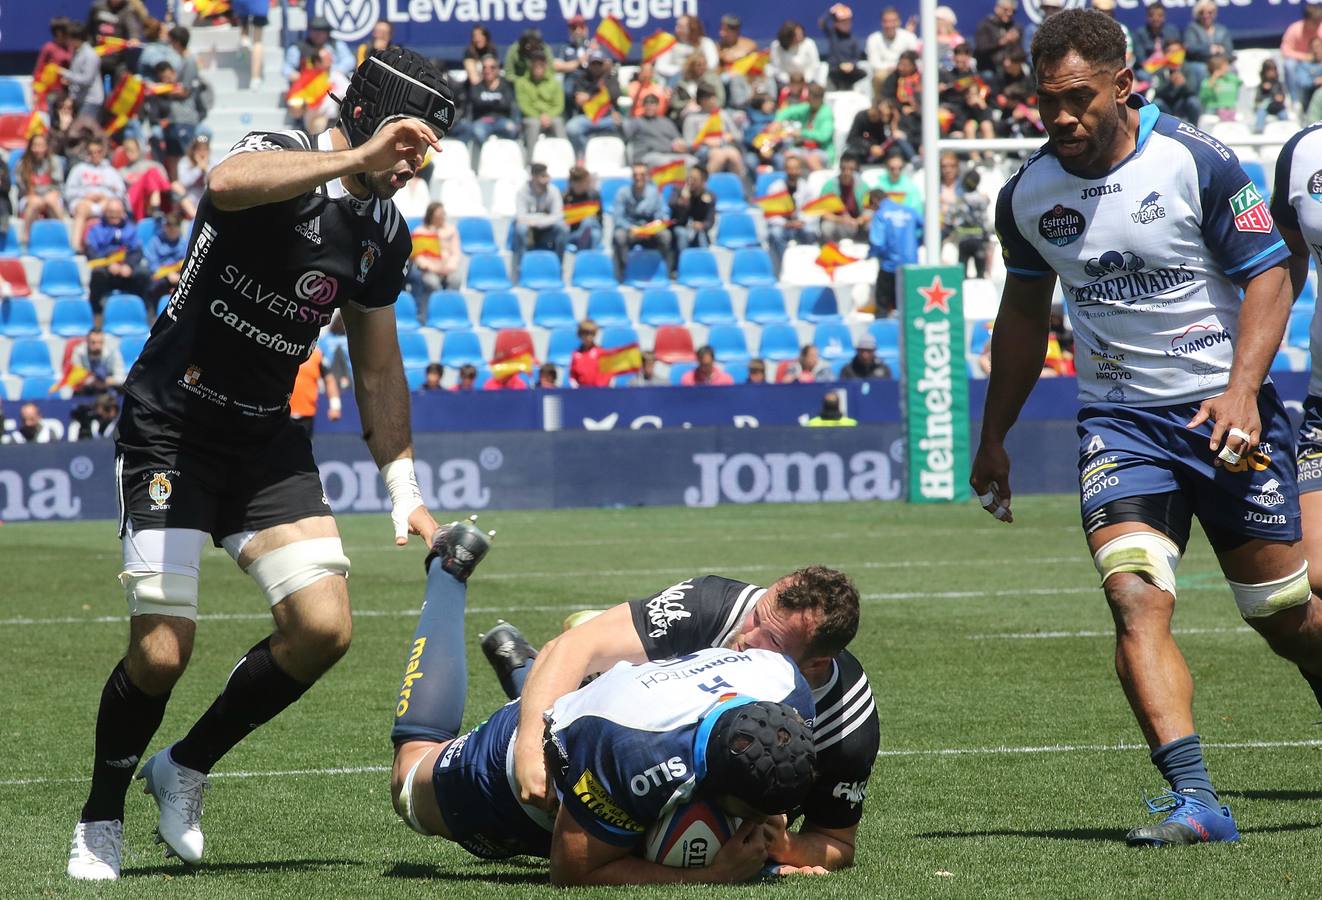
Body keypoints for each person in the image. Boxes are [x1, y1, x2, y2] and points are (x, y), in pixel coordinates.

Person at [65, 47, 454, 881]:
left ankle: (186, 764)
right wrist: (354, 159)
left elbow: (378, 366)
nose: (413, 166)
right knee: (163, 651)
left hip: (263, 440)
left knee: (324, 627)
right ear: (370, 119)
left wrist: (404, 491)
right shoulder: (279, 149)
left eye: (426, 152)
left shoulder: (384, 234)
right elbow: (226, 185)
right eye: (409, 142)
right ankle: (101, 816)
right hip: (171, 425)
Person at [977, 8, 1319, 848]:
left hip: (1224, 416)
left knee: (1283, 613)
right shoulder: (1027, 194)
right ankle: (1197, 800)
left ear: (1123, 84)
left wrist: (1243, 391)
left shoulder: (1197, 163)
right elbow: (1022, 318)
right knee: (1134, 595)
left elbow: (1270, 275)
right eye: (1044, 100)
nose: (1060, 117)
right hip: (1120, 425)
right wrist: (995, 435)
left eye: (1077, 98)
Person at [392, 524, 820, 884]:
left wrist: (778, 847)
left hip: (617, 729)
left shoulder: (783, 680)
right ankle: (449, 567)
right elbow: (572, 869)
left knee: (624, 796)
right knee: (408, 781)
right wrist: (706, 877)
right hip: (523, 769)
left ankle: (526, 670)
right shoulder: (633, 747)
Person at [480, 563, 874, 874]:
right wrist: (531, 749)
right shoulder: (716, 607)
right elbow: (572, 646)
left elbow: (837, 843)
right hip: (617, 755)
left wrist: (786, 846)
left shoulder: (845, 723)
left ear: (819, 662)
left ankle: (524, 671)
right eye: (758, 615)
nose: (747, 637)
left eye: (771, 642)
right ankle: (536, 677)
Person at [85, 197, 148, 324]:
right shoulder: (96, 229)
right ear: (105, 213)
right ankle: (97, 315)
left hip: (125, 271)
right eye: (111, 213)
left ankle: (144, 315)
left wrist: (129, 265)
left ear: (123, 213)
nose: (114, 216)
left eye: (117, 213)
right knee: (97, 274)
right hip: (106, 271)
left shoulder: (131, 229)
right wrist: (109, 264)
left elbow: (137, 251)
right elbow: (91, 251)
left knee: (144, 274)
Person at [612, 163, 672, 281]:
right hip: (631, 230)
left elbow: (663, 214)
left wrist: (655, 225)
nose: (638, 178)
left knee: (666, 235)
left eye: (642, 175)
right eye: (635, 175)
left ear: (647, 176)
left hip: (650, 231)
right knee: (619, 236)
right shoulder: (623, 193)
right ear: (632, 176)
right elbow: (618, 218)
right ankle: (623, 273)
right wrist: (631, 228)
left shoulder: (655, 193)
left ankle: (664, 271)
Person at [66, 138, 127, 253]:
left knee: (115, 208)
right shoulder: (78, 169)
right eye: (91, 152)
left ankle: (116, 245)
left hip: (105, 203)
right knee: (81, 209)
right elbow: (69, 192)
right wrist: (85, 195)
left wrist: (105, 196)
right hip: (84, 202)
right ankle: (76, 246)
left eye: (98, 151)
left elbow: (121, 192)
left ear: (103, 152)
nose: (95, 155)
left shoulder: (111, 171)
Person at [869, 187, 920, 317]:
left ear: (875, 201)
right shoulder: (909, 211)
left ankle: (884, 335)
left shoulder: (881, 214)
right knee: (908, 309)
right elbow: (929, 227)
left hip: (889, 267)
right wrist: (918, 242)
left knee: (883, 309)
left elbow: (877, 242)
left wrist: (871, 255)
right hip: (911, 266)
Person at [765, 156, 818, 276]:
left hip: (801, 225)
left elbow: (812, 211)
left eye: (796, 169)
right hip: (783, 225)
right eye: (790, 169)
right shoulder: (775, 188)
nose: (793, 172)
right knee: (775, 233)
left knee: (810, 231)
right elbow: (770, 215)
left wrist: (802, 221)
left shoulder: (807, 188)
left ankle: (807, 269)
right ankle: (781, 269)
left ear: (800, 170)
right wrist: (785, 223)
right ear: (785, 170)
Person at [406, 201, 460, 318]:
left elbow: (455, 253)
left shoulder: (451, 231)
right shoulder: (420, 232)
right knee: (432, 282)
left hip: (447, 269)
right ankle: (434, 314)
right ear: (431, 216)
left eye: (443, 215)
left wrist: (449, 267)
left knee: (456, 280)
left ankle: (450, 313)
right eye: (438, 216)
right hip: (429, 270)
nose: (442, 218)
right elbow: (418, 257)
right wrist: (435, 268)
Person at [565, 50, 623, 159]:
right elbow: (578, 100)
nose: (596, 67)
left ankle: (620, 158)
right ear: (589, 65)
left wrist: (589, 96)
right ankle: (582, 156)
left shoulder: (610, 78)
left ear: (603, 65)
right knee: (571, 128)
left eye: (599, 64)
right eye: (593, 64)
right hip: (587, 117)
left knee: (625, 126)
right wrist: (594, 95)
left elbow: (614, 95)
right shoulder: (582, 78)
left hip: (607, 117)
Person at [511, 163, 567, 275]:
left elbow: (558, 215)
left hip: (547, 228)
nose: (546, 179)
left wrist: (538, 221)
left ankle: (558, 265)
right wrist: (541, 218)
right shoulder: (522, 192)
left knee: (563, 228)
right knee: (520, 229)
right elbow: (521, 217)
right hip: (529, 229)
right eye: (542, 175)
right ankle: (522, 266)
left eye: (546, 175)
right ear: (534, 176)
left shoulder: (553, 190)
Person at [459, 55, 520, 156]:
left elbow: (507, 104)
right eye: (485, 67)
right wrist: (496, 102)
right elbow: (476, 103)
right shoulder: (476, 87)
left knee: (512, 129)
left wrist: (487, 103)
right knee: (477, 131)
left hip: (502, 120)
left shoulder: (506, 86)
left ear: (498, 69)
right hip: (483, 121)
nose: (488, 70)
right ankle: (477, 167)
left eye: (492, 67)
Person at [683, 86, 745, 176]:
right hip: (703, 150)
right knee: (718, 156)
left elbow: (738, 136)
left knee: (734, 154)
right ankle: (705, 185)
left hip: (724, 145)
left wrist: (729, 137)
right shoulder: (691, 119)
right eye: (710, 98)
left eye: (714, 97)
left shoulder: (722, 114)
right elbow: (688, 143)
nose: (714, 101)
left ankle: (738, 187)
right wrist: (704, 141)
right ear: (702, 101)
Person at [514, 51, 566, 157]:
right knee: (533, 124)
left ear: (546, 65)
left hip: (551, 116)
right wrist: (539, 116)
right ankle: (531, 160)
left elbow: (559, 105)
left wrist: (548, 116)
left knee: (558, 122)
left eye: (541, 64)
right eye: (535, 64)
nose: (538, 67)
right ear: (530, 65)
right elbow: (523, 105)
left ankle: (563, 158)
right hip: (531, 117)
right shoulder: (521, 82)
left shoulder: (554, 82)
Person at [775, 84, 835, 170]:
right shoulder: (807, 108)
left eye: (812, 98)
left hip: (822, 150)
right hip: (804, 148)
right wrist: (778, 121)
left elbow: (824, 136)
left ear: (820, 98)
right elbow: (787, 112)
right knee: (788, 156)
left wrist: (801, 133)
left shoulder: (826, 114)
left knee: (812, 159)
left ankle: (822, 181)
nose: (809, 101)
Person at [622, 93, 689, 169]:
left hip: (670, 154)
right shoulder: (636, 122)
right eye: (647, 104)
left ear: (657, 106)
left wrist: (679, 145)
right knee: (666, 163)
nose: (650, 107)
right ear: (643, 106)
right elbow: (624, 134)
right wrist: (619, 124)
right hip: (647, 155)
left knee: (691, 161)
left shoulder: (666, 122)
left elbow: (677, 139)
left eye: (653, 104)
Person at [283, 16, 355, 84]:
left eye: (321, 31)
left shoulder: (336, 44)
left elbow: (350, 60)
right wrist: (296, 75)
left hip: (332, 82)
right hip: (308, 84)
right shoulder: (298, 47)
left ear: (327, 32)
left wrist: (335, 71)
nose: (318, 34)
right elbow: (286, 68)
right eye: (315, 31)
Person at [288, 346, 341, 437]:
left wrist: (335, 405)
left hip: (306, 413)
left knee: (303, 447)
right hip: (282, 413)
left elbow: (329, 380)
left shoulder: (317, 354)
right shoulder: (282, 348)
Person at [819, 152, 870, 244]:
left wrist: (859, 220)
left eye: (851, 169)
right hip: (837, 222)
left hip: (857, 223)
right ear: (839, 168)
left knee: (871, 225)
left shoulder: (863, 186)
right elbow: (823, 212)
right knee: (826, 227)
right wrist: (841, 220)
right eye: (844, 169)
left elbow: (869, 209)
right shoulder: (829, 186)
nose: (847, 172)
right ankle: (831, 250)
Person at [669, 164, 716, 259]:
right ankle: (682, 266)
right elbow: (672, 206)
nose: (690, 182)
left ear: (703, 181)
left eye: (694, 179)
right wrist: (682, 202)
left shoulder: (709, 196)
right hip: (681, 227)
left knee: (701, 236)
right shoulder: (678, 191)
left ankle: (705, 265)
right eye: (689, 177)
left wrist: (701, 225)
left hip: (698, 230)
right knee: (682, 235)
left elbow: (710, 221)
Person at [1151, 39, 1202, 125]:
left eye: (1177, 52)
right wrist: (1170, 84)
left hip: (1182, 105)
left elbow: (1193, 90)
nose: (1174, 55)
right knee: (1156, 103)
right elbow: (1156, 91)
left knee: (1193, 101)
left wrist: (1184, 84)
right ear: (1165, 53)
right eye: (1171, 51)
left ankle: (1195, 127)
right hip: (1166, 105)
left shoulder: (1188, 68)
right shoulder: (1159, 70)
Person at [657, 14, 719, 85]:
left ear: (692, 28)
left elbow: (712, 64)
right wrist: (683, 70)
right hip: (677, 80)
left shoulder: (705, 43)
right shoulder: (671, 44)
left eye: (681, 27)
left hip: (701, 79)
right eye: (677, 26)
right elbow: (660, 66)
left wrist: (696, 70)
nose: (676, 29)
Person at [1282, 4, 1322, 109]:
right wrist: (1304, 57)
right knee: (1289, 65)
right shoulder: (1294, 29)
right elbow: (1285, 50)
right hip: (1300, 64)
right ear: (1307, 21)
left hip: (1318, 64)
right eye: (1315, 23)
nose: (1318, 25)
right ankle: (1295, 100)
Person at [144, 212, 188, 306]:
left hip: (179, 276)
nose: (172, 230)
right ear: (164, 227)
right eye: (168, 226)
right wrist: (168, 275)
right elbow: (152, 265)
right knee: (154, 286)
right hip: (161, 277)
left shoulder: (184, 243)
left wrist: (179, 277)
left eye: (175, 227)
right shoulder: (155, 242)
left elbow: (187, 263)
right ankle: (153, 314)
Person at [865, 7, 918, 83]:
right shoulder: (873, 39)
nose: (889, 25)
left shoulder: (909, 37)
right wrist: (891, 68)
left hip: (907, 73)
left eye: (893, 21)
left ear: (899, 22)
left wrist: (901, 68)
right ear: (881, 22)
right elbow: (874, 62)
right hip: (884, 73)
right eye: (886, 21)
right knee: (879, 77)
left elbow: (914, 59)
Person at [65, 23, 105, 120]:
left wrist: (65, 74)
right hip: (80, 99)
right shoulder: (77, 52)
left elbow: (86, 79)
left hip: (91, 100)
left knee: (83, 132)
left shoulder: (90, 55)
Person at [69, 328, 126, 396]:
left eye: (100, 342)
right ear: (87, 341)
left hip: (109, 387)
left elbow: (121, 378)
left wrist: (106, 382)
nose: (97, 346)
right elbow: (74, 378)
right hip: (87, 389)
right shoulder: (79, 352)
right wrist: (92, 382)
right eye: (93, 342)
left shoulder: (113, 352)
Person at [973, 0, 1021, 75]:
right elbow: (981, 49)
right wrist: (1001, 42)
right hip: (989, 68)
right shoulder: (985, 25)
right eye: (1006, 10)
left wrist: (1014, 46)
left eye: (1013, 11)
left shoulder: (1015, 27)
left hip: (1011, 69)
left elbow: (1023, 52)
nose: (1009, 13)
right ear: (997, 8)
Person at [562, 166, 603, 252]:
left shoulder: (594, 195)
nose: (587, 184)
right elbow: (563, 220)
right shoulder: (566, 197)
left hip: (592, 229)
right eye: (583, 182)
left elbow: (599, 219)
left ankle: (586, 257)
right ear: (573, 183)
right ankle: (584, 254)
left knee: (592, 229)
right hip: (573, 232)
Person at [1132, 2, 1180, 74]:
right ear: (1147, 17)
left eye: (1160, 15)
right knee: (1142, 74)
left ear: (1164, 16)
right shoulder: (1140, 34)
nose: (1155, 18)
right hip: (1147, 69)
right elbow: (1141, 59)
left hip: (1169, 67)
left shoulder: (1172, 31)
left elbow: (1178, 54)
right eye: (1151, 15)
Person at [770, 21, 820, 86]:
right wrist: (788, 81)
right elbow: (777, 68)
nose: (800, 37)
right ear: (787, 36)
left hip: (807, 82)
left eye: (801, 34)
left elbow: (815, 65)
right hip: (784, 83)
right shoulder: (776, 46)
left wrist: (804, 80)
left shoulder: (809, 43)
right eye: (796, 35)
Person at [1199, 54, 1241, 122]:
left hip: (1231, 109)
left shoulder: (1232, 78)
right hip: (1214, 110)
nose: (1228, 68)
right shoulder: (1208, 81)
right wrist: (1213, 79)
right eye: (1225, 66)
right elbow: (1203, 98)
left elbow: (1241, 85)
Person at [570, 319, 609, 388]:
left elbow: (606, 374)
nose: (588, 337)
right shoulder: (576, 354)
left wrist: (600, 389)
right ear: (580, 335)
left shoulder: (601, 352)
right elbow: (573, 376)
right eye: (585, 333)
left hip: (599, 392)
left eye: (591, 333)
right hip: (582, 393)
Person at [1255, 59, 1290, 134]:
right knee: (1260, 113)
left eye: (1273, 70)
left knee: (1283, 114)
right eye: (1269, 70)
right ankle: (1259, 131)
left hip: (1278, 107)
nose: (1271, 73)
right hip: (1266, 108)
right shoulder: (1261, 86)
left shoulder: (1279, 84)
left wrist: (1279, 98)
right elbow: (1257, 99)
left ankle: (1287, 131)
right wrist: (1264, 90)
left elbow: (1282, 96)